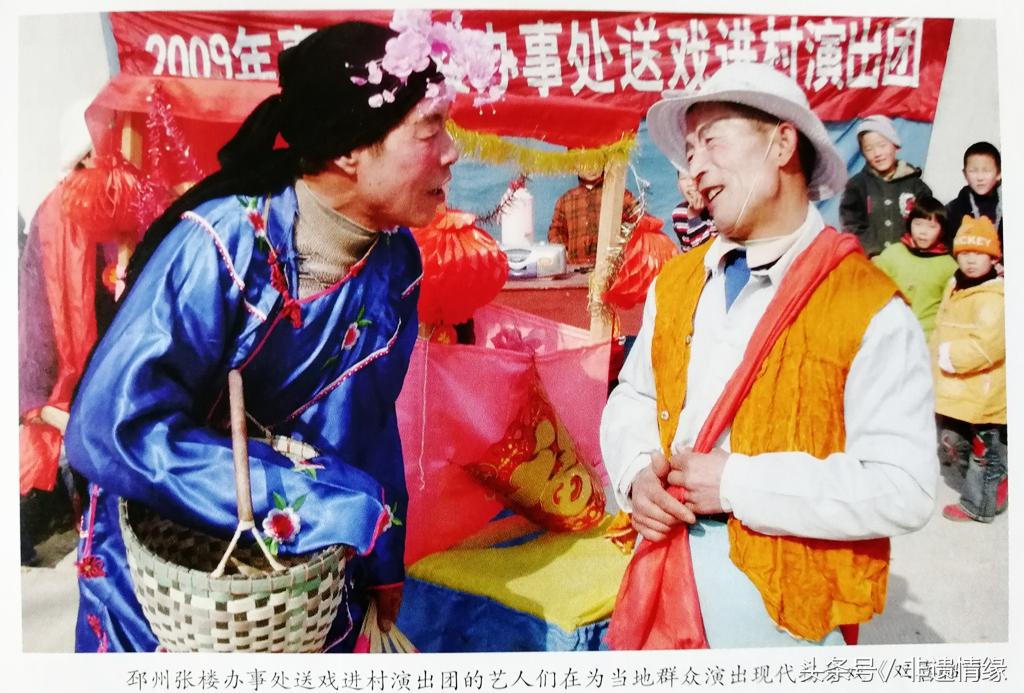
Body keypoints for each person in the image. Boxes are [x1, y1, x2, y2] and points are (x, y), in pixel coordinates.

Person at [63, 16, 495, 652]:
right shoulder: (223, 247)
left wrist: (380, 555)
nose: (452, 152)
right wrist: (307, 498)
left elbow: (368, 420)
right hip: (177, 575)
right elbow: (112, 429)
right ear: (349, 149)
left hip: (297, 582)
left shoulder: (397, 262)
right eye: (430, 129)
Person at [601, 62, 936, 649]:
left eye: (712, 142)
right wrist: (634, 471)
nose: (695, 167)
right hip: (667, 583)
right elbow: (635, 394)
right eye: (689, 151)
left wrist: (737, 482)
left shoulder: (867, 305)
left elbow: (903, 486)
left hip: (788, 615)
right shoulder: (674, 283)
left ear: (782, 144)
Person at [932, 216, 1007, 522]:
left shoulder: (995, 297)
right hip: (955, 387)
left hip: (985, 392)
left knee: (984, 453)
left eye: (979, 253)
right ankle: (992, 481)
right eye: (964, 253)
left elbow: (989, 344)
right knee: (953, 440)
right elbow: (942, 327)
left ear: (993, 258)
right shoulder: (955, 284)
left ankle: (980, 505)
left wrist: (948, 355)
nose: (971, 260)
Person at [840, 114, 932, 257]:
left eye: (882, 145)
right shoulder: (857, 185)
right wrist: (872, 252)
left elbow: (927, 223)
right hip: (870, 261)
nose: (877, 153)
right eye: (869, 149)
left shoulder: (917, 187)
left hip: (907, 260)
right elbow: (851, 226)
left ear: (895, 146)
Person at [872, 195, 957, 339]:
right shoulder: (893, 253)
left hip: (927, 336)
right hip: (890, 331)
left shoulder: (949, 266)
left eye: (931, 226)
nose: (923, 231)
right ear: (909, 224)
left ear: (942, 230)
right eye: (918, 224)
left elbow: (950, 308)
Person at [547, 162, 637, 265]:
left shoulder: (619, 195)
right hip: (575, 267)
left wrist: (625, 249)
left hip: (610, 267)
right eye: (585, 161)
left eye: (596, 161)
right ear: (575, 166)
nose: (591, 166)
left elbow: (639, 222)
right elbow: (556, 231)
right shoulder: (565, 200)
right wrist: (564, 253)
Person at [945, 141, 1002, 259]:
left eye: (986, 170)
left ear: (999, 174)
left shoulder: (1014, 207)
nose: (980, 177)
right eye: (973, 171)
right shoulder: (953, 210)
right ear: (965, 174)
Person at [670, 169, 716, 252]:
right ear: (678, 187)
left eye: (694, 177)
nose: (690, 183)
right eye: (684, 178)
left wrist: (694, 217)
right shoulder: (678, 214)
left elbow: (710, 249)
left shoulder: (715, 206)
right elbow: (690, 251)